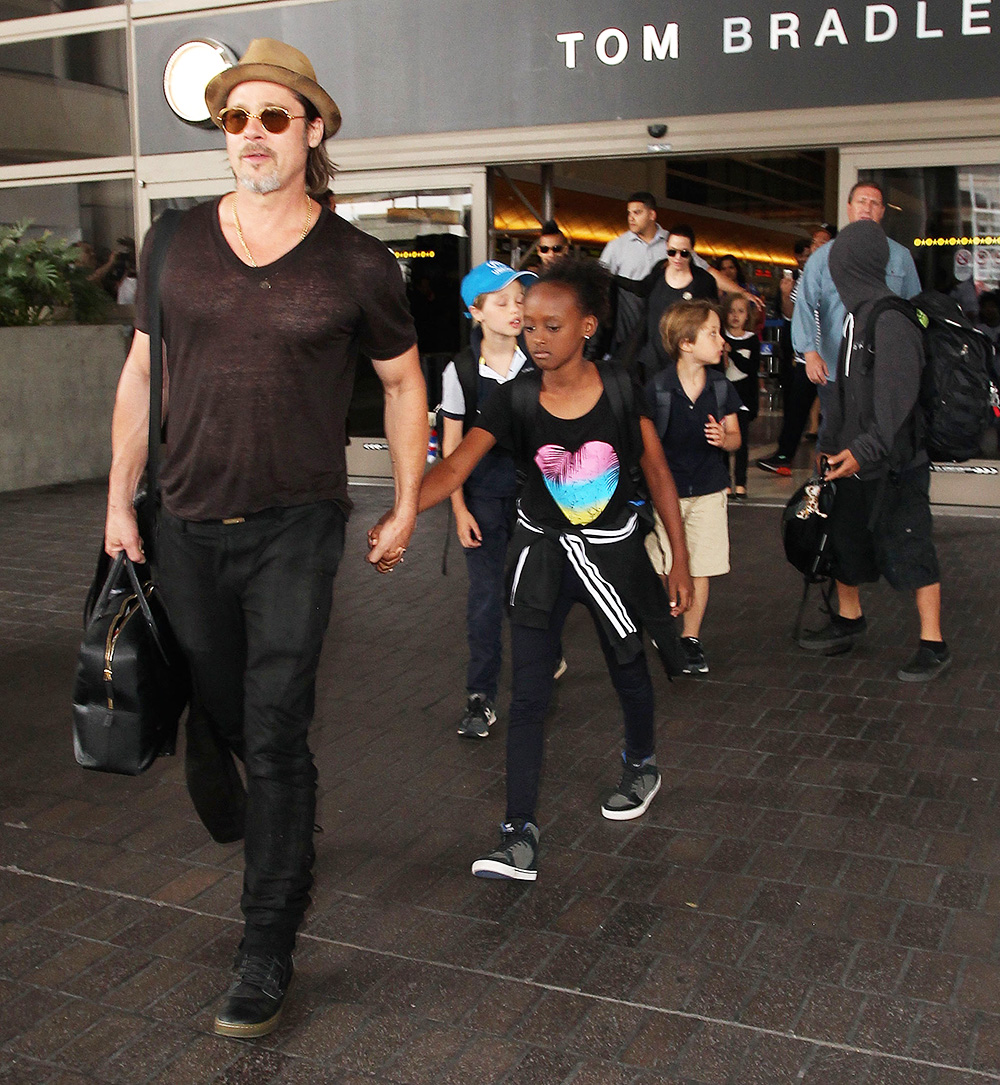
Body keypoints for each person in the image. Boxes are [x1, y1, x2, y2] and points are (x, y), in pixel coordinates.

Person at [104, 38, 428, 1039]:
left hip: (294, 523)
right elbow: (141, 374)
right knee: (220, 709)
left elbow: (404, 382)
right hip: (183, 517)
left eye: (272, 117)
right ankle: (251, 782)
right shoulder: (170, 244)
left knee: (277, 728)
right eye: (235, 118)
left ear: (312, 130)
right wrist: (119, 501)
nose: (250, 134)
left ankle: (267, 937)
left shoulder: (358, 262)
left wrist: (408, 501)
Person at [392, 261, 693, 880]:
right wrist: (402, 513)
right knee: (528, 693)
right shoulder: (515, 397)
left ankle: (642, 763)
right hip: (542, 558)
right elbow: (457, 466)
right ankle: (517, 833)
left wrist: (678, 560)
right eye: (529, 326)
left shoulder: (620, 388)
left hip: (613, 555)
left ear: (587, 326)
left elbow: (658, 472)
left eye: (552, 326)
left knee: (628, 669)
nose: (537, 338)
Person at [807, 220, 949, 682]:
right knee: (845, 543)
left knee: (910, 547)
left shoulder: (892, 320)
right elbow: (845, 395)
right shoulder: (856, 317)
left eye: (838, 265)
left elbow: (896, 402)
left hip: (895, 466)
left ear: (855, 266)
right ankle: (849, 618)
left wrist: (864, 448)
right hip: (854, 460)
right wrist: (829, 447)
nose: (834, 276)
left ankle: (934, 642)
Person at [440, 261, 537, 739]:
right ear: (476, 312)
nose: (515, 309)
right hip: (481, 497)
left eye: (520, 299)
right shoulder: (460, 371)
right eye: (502, 302)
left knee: (534, 594)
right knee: (485, 599)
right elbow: (453, 450)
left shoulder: (538, 362)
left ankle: (541, 669)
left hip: (534, 498)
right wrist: (458, 510)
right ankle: (480, 696)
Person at [646, 301, 743, 675]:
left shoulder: (720, 387)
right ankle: (663, 625)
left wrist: (725, 439)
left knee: (701, 566)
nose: (721, 341)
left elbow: (736, 437)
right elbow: (645, 447)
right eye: (712, 333)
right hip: (666, 493)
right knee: (663, 563)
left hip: (708, 489)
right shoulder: (658, 390)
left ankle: (691, 638)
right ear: (686, 343)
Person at [794, 181, 920, 426]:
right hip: (835, 365)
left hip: (885, 367)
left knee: (880, 435)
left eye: (874, 203)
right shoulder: (823, 256)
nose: (867, 208)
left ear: (882, 211)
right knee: (833, 436)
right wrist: (810, 353)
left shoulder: (900, 256)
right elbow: (804, 304)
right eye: (861, 201)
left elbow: (914, 309)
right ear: (849, 207)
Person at [631, 224, 719, 379]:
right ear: (666, 248)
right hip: (653, 359)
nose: (677, 258)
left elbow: (713, 321)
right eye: (672, 252)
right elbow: (639, 292)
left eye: (683, 253)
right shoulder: (658, 272)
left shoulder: (703, 282)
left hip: (687, 361)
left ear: (692, 251)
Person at [720, 294, 760, 498]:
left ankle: (741, 482)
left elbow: (750, 368)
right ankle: (726, 481)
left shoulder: (752, 340)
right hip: (725, 396)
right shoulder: (720, 337)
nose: (735, 316)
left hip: (744, 398)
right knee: (724, 440)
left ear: (747, 316)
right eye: (731, 311)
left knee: (742, 442)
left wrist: (732, 351)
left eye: (741, 311)